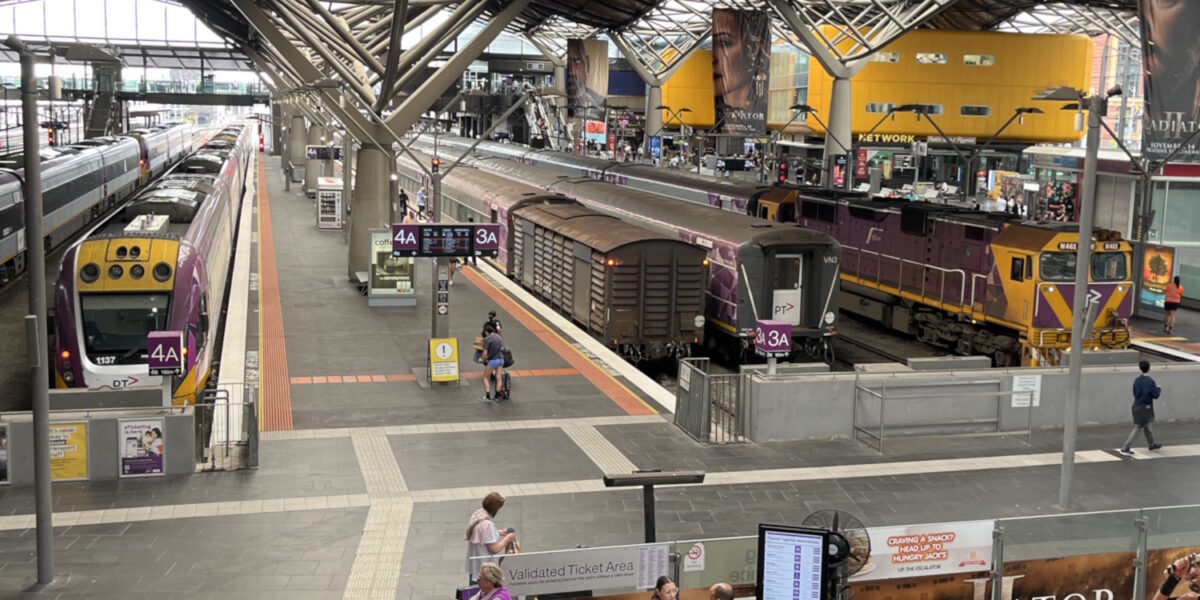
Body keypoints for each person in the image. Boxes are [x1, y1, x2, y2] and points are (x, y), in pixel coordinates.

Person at [712, 9, 770, 135]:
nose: (714, 56)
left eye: (724, 43)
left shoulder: (760, 107)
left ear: (752, 51)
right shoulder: (721, 114)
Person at [465, 492, 516, 582]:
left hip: (475, 566)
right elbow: (494, 549)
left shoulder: (477, 515)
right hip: (485, 571)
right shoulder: (488, 524)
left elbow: (482, 535)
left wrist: (499, 532)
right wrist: (507, 538)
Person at [1120, 361, 1163, 455]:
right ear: (1149, 368)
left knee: (1147, 426)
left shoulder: (1137, 380)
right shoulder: (1150, 381)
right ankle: (1125, 447)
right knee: (1138, 427)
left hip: (1136, 405)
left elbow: (1135, 393)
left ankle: (1151, 444)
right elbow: (1155, 395)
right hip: (1145, 408)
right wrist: (1159, 389)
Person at [480, 323, 505, 403]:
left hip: (493, 360)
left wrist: (482, 360)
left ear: (487, 332)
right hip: (501, 359)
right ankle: (497, 396)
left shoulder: (487, 339)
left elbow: (485, 353)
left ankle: (487, 396)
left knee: (485, 377)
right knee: (498, 377)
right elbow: (502, 347)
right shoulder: (498, 337)